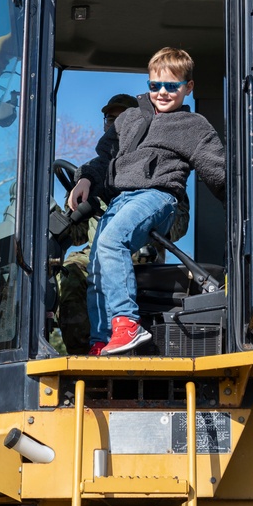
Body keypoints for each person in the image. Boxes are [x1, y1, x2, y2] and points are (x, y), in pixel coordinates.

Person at [68, 47, 225, 355]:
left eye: (172, 85)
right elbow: (104, 159)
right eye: (156, 85)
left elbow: (217, 171)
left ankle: (126, 324)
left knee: (112, 241)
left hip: (158, 197)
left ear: (188, 87)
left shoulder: (193, 127)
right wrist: (85, 178)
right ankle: (102, 339)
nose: (163, 92)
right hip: (121, 199)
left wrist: (240, 202)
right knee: (97, 263)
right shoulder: (127, 120)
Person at [54, 93, 138, 354]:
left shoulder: (153, 164)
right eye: (110, 119)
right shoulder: (92, 172)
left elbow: (177, 223)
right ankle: (84, 355)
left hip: (134, 254)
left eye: (123, 118)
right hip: (94, 254)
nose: (115, 124)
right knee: (68, 271)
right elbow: (77, 234)